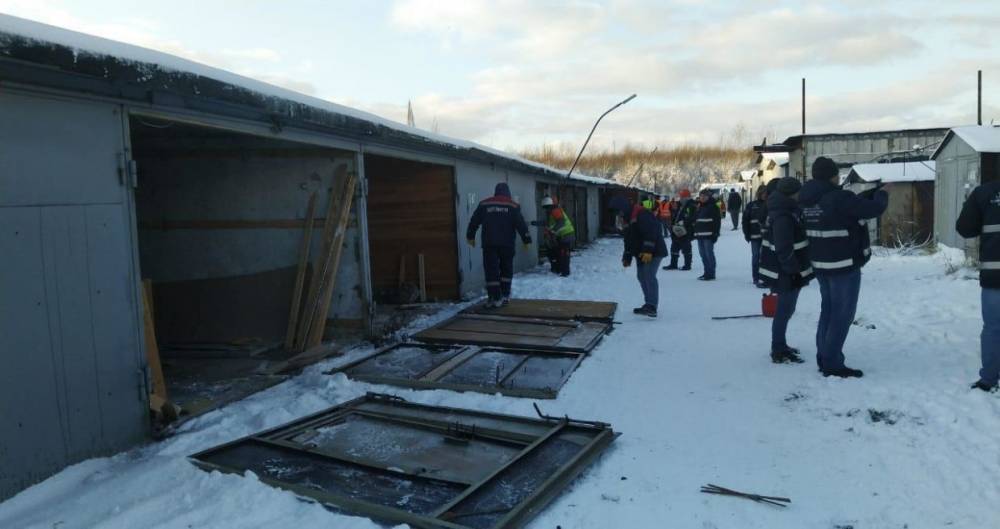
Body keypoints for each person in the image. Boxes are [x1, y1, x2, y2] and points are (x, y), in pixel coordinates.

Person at [799, 156, 888, 378]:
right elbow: (873, 209)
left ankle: (824, 356)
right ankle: (832, 363)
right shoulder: (838, 197)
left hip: (820, 264)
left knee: (828, 311)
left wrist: (864, 196)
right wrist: (882, 193)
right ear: (832, 176)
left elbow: (847, 209)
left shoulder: (807, 198)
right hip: (844, 266)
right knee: (842, 315)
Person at [759, 177, 813, 364]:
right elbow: (783, 248)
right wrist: (794, 272)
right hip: (785, 272)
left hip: (784, 270)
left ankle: (781, 345)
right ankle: (778, 349)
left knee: (786, 309)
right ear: (792, 193)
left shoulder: (783, 210)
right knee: (784, 310)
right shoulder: (783, 215)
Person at [955, 178, 1000, 392]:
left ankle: (989, 379)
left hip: (994, 274)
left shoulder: (983, 194)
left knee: (993, 328)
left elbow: (965, 229)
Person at [466, 182, 532, 307]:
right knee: (506, 269)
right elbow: (521, 224)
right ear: (508, 192)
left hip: (489, 243)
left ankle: (494, 297)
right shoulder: (513, 206)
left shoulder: (484, 204)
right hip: (507, 244)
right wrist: (527, 239)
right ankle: (505, 296)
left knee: (491, 270)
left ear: (496, 192)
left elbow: (474, 221)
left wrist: (470, 236)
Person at [623, 199, 668, 317]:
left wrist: (648, 250)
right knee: (641, 276)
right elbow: (628, 239)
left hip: (654, 250)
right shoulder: (628, 218)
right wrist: (627, 255)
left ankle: (652, 306)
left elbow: (651, 232)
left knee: (649, 275)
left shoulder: (642, 214)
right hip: (640, 252)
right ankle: (648, 303)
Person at [535, 196, 575, 277]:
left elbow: (561, 222)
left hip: (567, 234)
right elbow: (547, 223)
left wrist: (553, 231)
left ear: (549, 206)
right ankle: (560, 269)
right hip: (563, 235)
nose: (545, 209)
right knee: (560, 252)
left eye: (546, 207)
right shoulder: (551, 212)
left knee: (564, 254)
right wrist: (535, 223)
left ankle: (565, 272)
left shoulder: (555, 210)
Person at [664, 189, 696, 270]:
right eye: (681, 197)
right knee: (674, 246)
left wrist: (684, 222)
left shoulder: (691, 205)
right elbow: (676, 215)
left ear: (687, 197)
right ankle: (673, 264)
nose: (681, 199)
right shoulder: (680, 205)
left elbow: (692, 217)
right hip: (677, 228)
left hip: (686, 229)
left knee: (686, 247)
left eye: (682, 197)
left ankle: (687, 265)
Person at [694, 188, 722, 280]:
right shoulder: (699, 207)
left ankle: (711, 273)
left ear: (708, 197)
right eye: (701, 196)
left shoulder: (713, 207)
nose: (702, 198)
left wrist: (716, 234)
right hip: (700, 235)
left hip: (708, 235)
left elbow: (717, 221)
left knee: (708, 254)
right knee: (703, 255)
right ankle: (706, 272)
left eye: (704, 196)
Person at [743, 185, 768, 287]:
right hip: (754, 237)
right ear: (759, 194)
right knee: (756, 257)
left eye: (766, 193)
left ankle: (765, 277)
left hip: (767, 236)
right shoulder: (751, 205)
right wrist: (746, 234)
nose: (764, 195)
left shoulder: (771, 204)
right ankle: (756, 277)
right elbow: (745, 221)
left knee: (766, 257)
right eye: (762, 193)